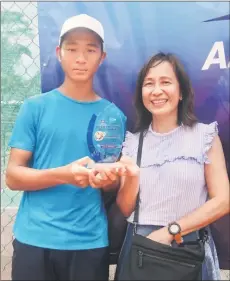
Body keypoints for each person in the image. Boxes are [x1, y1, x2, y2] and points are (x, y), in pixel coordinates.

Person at [6, 14, 128, 281]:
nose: (81, 58)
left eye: (90, 50)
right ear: (59, 53)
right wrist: (65, 174)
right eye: (72, 49)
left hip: (89, 242)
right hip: (34, 238)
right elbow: (13, 177)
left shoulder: (113, 116)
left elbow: (110, 186)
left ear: (102, 57)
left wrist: (105, 179)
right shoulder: (34, 107)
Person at [115, 52, 230, 280]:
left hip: (188, 247)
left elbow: (222, 201)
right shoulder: (132, 143)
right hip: (141, 247)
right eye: (149, 84)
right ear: (141, 94)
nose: (156, 91)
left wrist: (171, 231)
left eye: (165, 82)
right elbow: (125, 208)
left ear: (181, 92)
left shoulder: (204, 136)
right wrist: (132, 177)